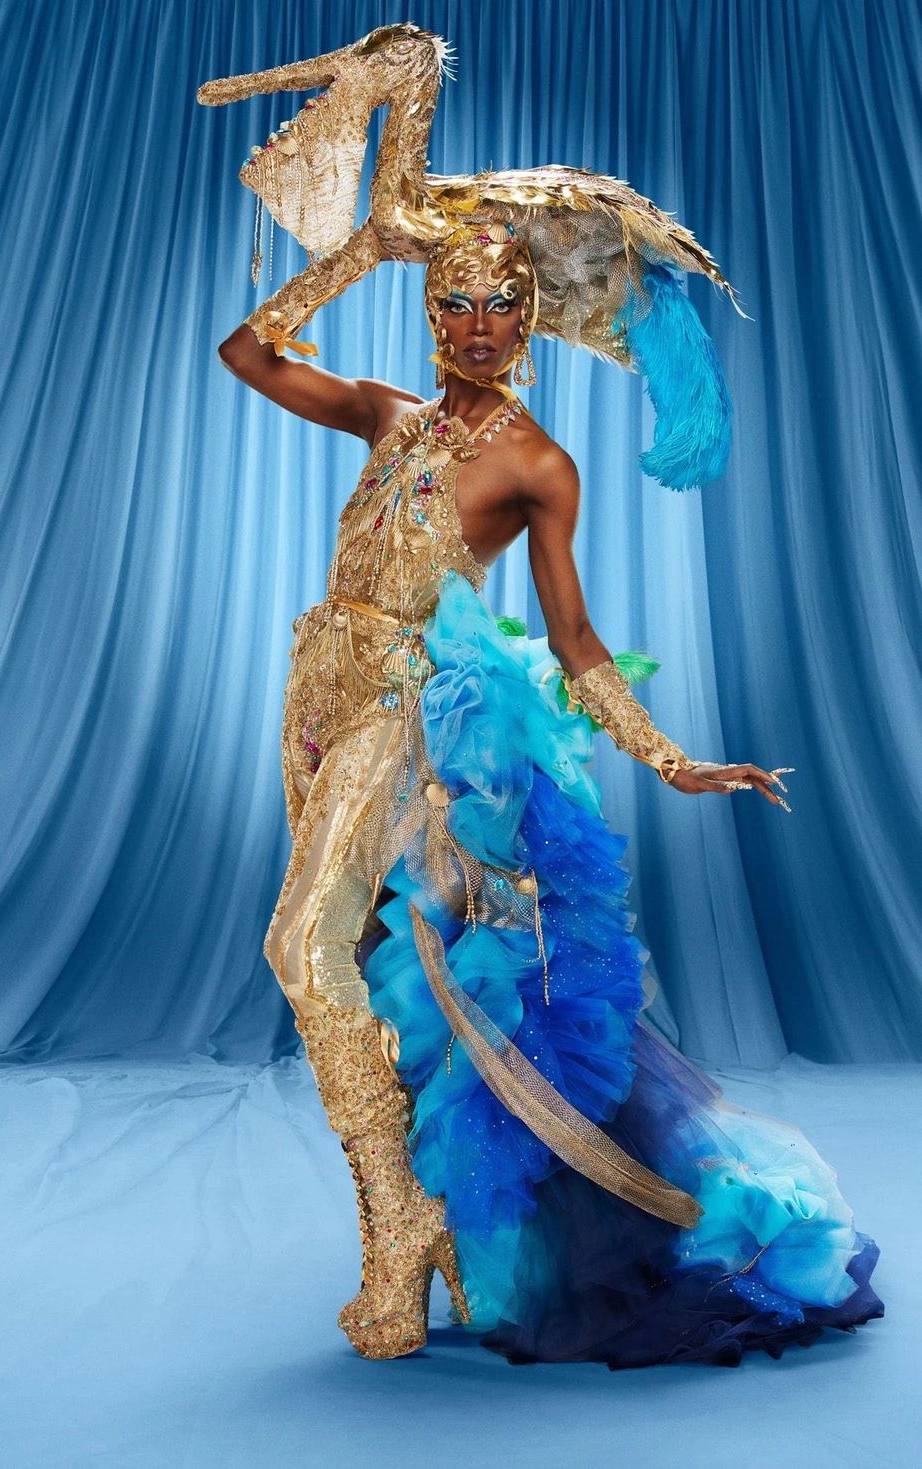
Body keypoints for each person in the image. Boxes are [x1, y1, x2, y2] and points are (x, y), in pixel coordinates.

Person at [216, 222, 883, 1367]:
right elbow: (247, 354)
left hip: (398, 716)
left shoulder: (535, 464)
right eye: (456, 300)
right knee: (372, 965)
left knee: (302, 949)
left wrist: (667, 756)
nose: (478, 324)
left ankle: (399, 1225)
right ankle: (427, 1219)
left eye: (500, 303)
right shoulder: (386, 414)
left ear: (528, 319)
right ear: (430, 313)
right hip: (315, 701)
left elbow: (573, 636)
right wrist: (363, 247)